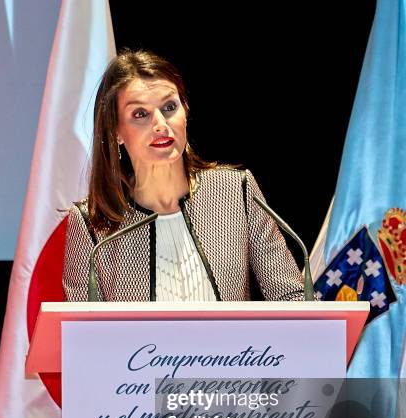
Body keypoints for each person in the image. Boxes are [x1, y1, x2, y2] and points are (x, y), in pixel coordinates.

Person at [62, 49, 304, 302]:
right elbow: (82, 333)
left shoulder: (236, 191)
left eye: (169, 107)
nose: (160, 124)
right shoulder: (91, 224)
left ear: (185, 111)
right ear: (116, 132)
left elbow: (291, 297)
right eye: (140, 114)